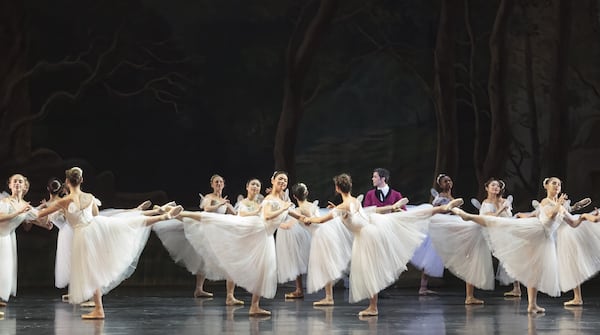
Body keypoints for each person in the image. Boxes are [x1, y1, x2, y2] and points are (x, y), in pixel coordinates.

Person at [303, 174, 463, 316]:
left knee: (370, 271)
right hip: (372, 227)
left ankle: (373, 307)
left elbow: (322, 220)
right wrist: (335, 210)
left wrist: (308, 219)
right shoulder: (353, 202)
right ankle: (443, 207)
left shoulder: (342, 206)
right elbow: (361, 213)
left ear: (337, 189)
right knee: (410, 216)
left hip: (366, 236)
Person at [36, 167, 182, 319]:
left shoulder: (64, 201)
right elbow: (95, 214)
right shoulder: (90, 197)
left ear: (66, 182)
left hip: (82, 234)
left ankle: (99, 309)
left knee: (92, 270)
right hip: (94, 227)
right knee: (127, 223)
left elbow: (41, 214)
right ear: (82, 181)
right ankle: (161, 216)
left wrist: (35, 209)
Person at [451, 177, 599, 313]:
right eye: (554, 183)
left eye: (559, 184)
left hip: (544, 239)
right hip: (535, 231)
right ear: (547, 186)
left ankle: (532, 305)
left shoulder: (561, 207)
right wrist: (559, 205)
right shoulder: (546, 202)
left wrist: (590, 217)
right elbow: (549, 216)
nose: (557, 186)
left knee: (533, 271)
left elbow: (573, 223)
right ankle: (468, 216)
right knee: (500, 223)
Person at [179, 171, 306, 315]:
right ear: (273, 180)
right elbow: (266, 215)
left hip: (264, 235)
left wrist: (312, 218)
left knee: (264, 270)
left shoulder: (280, 201)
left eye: (285, 180)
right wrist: (281, 208)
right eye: (280, 179)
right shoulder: (267, 199)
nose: (283, 182)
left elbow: (297, 215)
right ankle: (180, 214)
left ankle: (254, 306)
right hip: (254, 227)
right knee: (216, 220)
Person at [428, 174, 494, 305]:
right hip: (450, 228)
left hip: (458, 228)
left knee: (471, 258)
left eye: (450, 180)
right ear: (440, 185)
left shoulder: (452, 197)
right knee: (470, 255)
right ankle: (469, 296)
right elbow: (435, 212)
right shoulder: (440, 198)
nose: (448, 183)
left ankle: (470, 296)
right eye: (445, 181)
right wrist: (450, 211)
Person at [292, 182, 353, 306]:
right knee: (328, 264)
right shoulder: (311, 205)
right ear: (307, 193)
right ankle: (329, 296)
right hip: (325, 232)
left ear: (294, 196)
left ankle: (329, 297)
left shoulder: (298, 210)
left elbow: (311, 220)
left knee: (326, 265)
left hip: (321, 235)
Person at [0, 174, 52, 310]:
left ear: (25, 187)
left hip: (7, 237)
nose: (17, 183)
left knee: (5, 268)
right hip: (1, 236)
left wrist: (46, 215)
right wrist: (19, 212)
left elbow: (36, 219)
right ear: (10, 185)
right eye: (14, 181)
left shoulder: (25, 206)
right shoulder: (5, 201)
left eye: (20, 182)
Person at [477, 178, 522, 297]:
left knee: (512, 258)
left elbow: (509, 216)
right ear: (487, 188)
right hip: (494, 232)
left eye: (497, 186)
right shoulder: (486, 203)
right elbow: (490, 218)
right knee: (506, 258)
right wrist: (501, 209)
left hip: (507, 230)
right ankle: (516, 287)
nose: (496, 188)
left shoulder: (504, 201)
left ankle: (517, 288)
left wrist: (506, 209)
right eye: (493, 185)